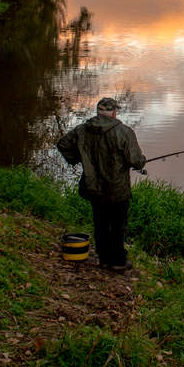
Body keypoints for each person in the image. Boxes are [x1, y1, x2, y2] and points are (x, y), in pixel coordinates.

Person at [57, 97, 147, 271]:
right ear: (114, 113)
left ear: (98, 113)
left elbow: (63, 145)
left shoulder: (82, 130)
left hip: (93, 188)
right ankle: (118, 262)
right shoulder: (124, 132)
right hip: (117, 189)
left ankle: (104, 259)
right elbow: (136, 161)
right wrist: (142, 161)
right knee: (118, 226)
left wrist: (78, 159)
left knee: (100, 223)